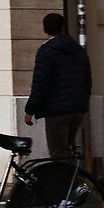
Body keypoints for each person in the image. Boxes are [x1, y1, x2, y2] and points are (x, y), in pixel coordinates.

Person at [24, 10, 92, 161]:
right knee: (67, 149)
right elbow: (87, 80)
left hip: (57, 111)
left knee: (58, 153)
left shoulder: (46, 51)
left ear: (45, 29)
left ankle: (63, 183)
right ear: (63, 27)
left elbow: (40, 83)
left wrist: (30, 110)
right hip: (77, 109)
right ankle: (73, 180)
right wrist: (83, 103)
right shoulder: (78, 50)